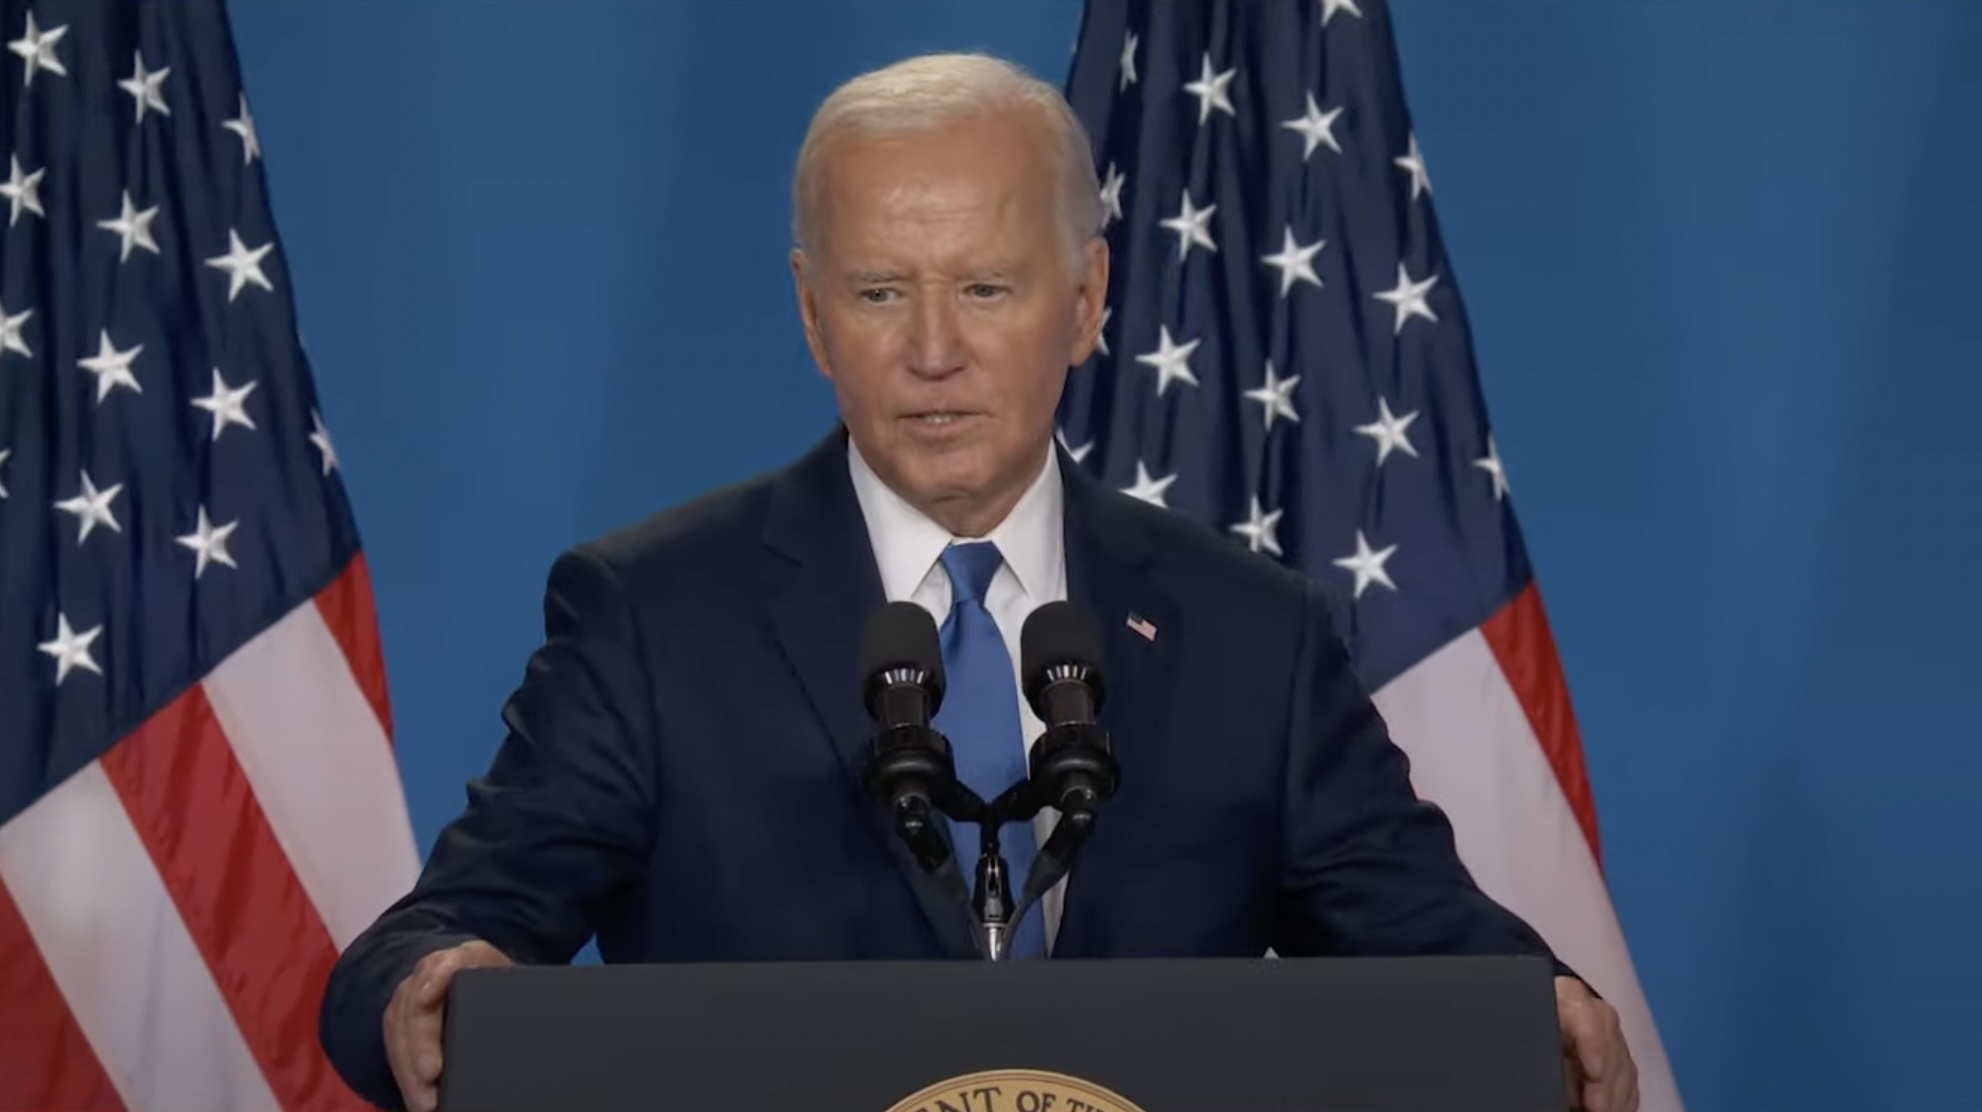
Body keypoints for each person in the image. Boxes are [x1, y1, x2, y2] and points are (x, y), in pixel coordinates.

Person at [317, 51, 1639, 1112]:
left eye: (988, 287)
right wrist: (428, 984)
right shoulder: (653, 615)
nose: (934, 351)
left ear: (1083, 300)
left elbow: (1423, 933)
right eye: (882, 292)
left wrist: (1544, 1006)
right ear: (810, 314)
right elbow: (445, 929)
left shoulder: (1246, 628)